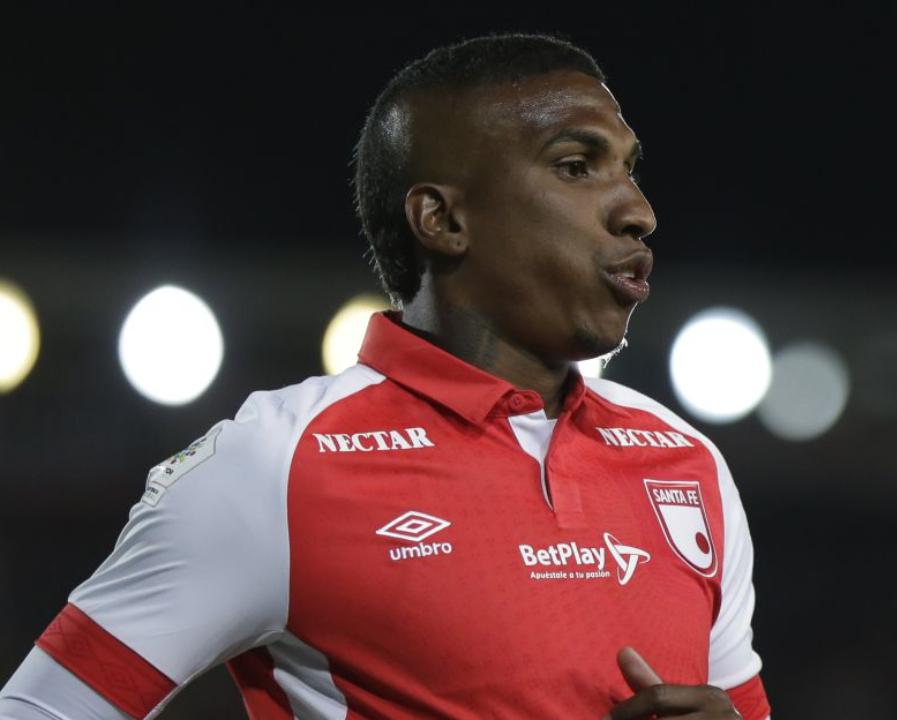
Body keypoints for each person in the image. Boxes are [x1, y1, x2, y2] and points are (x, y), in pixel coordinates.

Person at [0, 33, 771, 719]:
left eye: (629, 170)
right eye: (576, 166)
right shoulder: (275, 466)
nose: (638, 210)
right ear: (443, 220)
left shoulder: (688, 465)